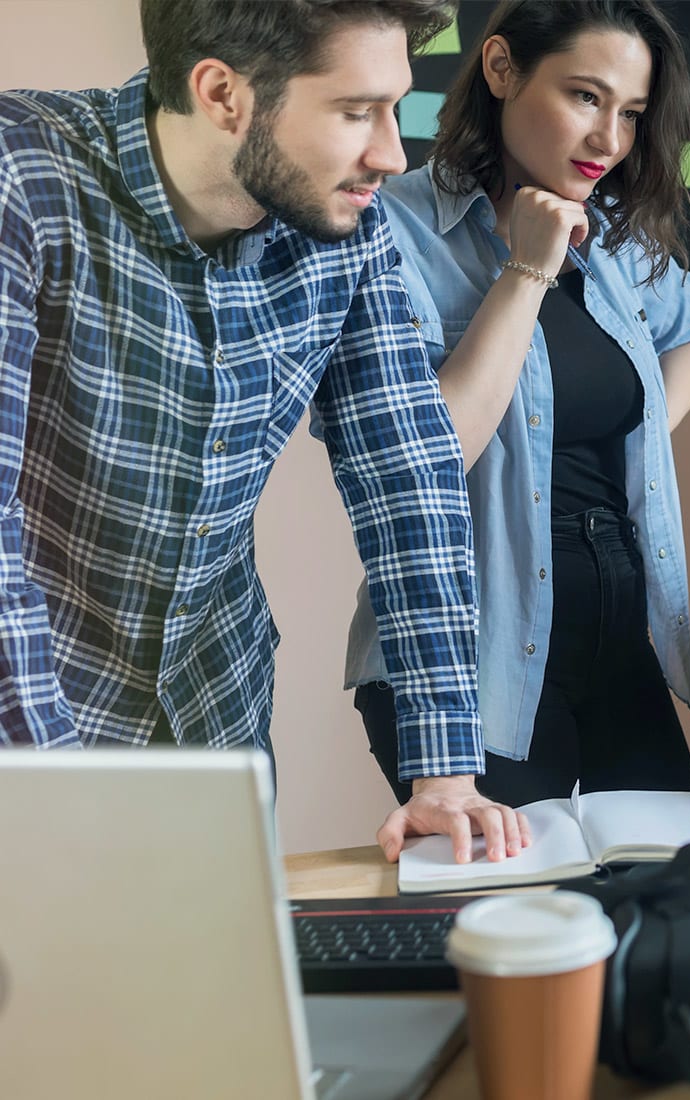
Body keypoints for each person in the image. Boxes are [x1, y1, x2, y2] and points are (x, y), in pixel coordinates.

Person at [0, 0, 525, 862]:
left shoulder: (348, 230)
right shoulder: (23, 176)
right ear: (221, 93)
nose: (392, 154)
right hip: (36, 713)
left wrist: (443, 772)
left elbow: (411, 478)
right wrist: (52, 795)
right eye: (356, 113)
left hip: (218, 712)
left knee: (221, 989)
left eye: (394, 108)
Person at [346, 0, 690, 811]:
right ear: (501, 68)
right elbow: (428, 451)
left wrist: (646, 429)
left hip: (620, 624)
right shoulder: (390, 231)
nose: (609, 142)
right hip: (471, 638)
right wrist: (528, 269)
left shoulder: (611, 230)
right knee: (519, 915)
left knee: (674, 900)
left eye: (631, 114)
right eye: (586, 97)